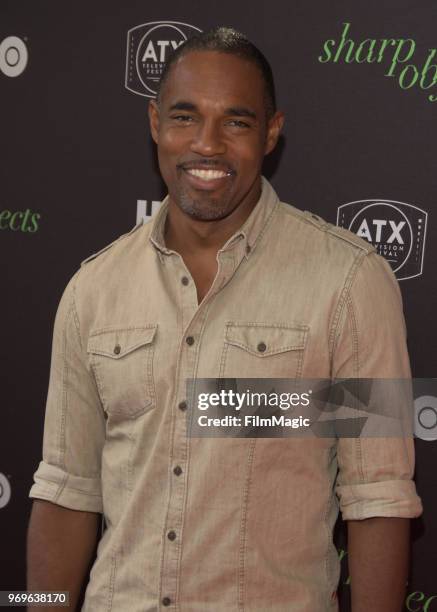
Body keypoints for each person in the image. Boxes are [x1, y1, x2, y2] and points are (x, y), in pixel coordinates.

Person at [27, 26, 422, 612]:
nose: (207, 145)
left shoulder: (350, 282)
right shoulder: (93, 289)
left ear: (271, 133)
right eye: (185, 117)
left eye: (235, 122)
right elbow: (66, 492)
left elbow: (379, 499)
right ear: (156, 123)